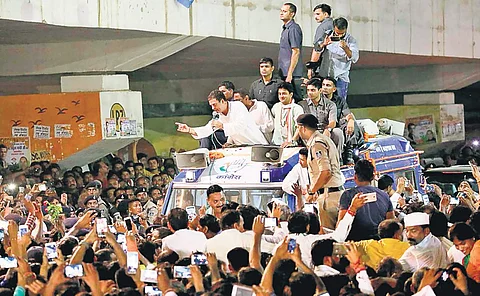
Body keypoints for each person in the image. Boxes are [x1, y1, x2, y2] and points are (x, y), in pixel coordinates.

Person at [296, 113, 344, 229]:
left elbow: (325, 172)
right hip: (333, 194)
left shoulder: (317, 144)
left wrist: (312, 191)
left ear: (302, 128)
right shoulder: (324, 139)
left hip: (329, 197)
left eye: (297, 128)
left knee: (329, 238)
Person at [175, 90, 268, 148]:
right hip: (241, 148)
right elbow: (207, 129)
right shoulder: (219, 115)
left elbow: (240, 126)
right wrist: (190, 130)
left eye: (214, 104)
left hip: (257, 145)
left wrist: (222, 126)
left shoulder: (238, 106)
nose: (213, 108)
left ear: (223, 101)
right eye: (211, 106)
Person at [338, 159, 395, 241]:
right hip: (379, 244)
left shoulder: (347, 195)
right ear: (372, 177)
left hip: (355, 245)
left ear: (355, 177)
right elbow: (391, 223)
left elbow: (341, 225)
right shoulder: (384, 196)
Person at [299, 78, 344, 161]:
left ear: (320, 90)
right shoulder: (302, 104)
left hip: (325, 132)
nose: (309, 93)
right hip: (310, 133)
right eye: (308, 90)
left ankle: (336, 160)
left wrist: (328, 130)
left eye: (313, 90)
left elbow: (333, 122)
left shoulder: (330, 104)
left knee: (338, 132)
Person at [321, 76, 364, 164]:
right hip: (324, 127)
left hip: (337, 125)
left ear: (334, 89)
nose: (325, 87)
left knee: (352, 124)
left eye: (328, 85)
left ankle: (349, 152)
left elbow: (347, 114)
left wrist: (351, 121)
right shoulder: (318, 99)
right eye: (323, 85)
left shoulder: (340, 101)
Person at [318, 17, 359, 101]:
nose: (339, 35)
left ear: (346, 29)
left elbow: (355, 58)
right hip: (326, 75)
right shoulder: (327, 35)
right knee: (323, 101)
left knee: (340, 102)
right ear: (334, 28)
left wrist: (346, 48)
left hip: (340, 76)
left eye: (342, 33)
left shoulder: (351, 40)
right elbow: (317, 49)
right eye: (337, 33)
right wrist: (324, 44)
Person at [279, 2, 303, 101]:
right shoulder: (285, 29)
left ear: (292, 13)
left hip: (292, 74)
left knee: (296, 100)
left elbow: (296, 51)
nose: (281, 13)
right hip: (284, 72)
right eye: (281, 11)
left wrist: (290, 74)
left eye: (284, 11)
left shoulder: (293, 29)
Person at [308, 3, 333, 79]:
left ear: (325, 14)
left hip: (323, 64)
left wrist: (311, 67)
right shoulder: (334, 25)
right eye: (315, 14)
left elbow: (317, 48)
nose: (315, 17)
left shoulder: (322, 27)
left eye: (318, 14)